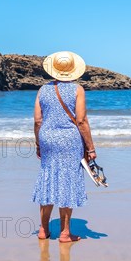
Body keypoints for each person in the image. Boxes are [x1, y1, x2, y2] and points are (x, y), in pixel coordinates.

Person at [31, 51, 97, 243]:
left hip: (47, 139)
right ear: (73, 70)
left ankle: (43, 230)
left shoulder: (42, 90)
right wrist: (91, 148)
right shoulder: (78, 89)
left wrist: (38, 144)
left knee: (48, 179)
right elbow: (82, 120)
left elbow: (37, 120)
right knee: (67, 181)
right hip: (69, 140)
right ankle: (65, 233)